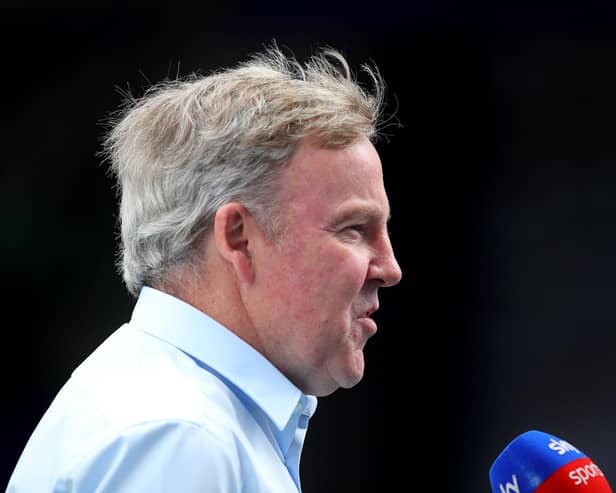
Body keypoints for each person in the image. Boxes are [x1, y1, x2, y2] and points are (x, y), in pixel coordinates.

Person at [6, 43, 402, 492]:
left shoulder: (178, 415)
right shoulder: (180, 435)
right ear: (238, 238)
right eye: (353, 228)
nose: (389, 268)